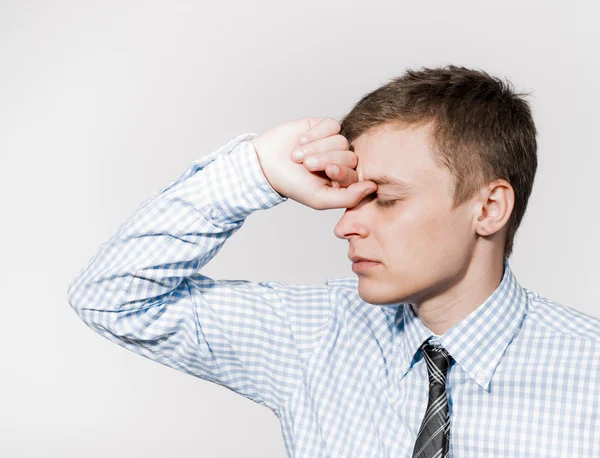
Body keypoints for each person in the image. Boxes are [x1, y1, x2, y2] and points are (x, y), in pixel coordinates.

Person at [67, 65, 600, 457]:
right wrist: (256, 172)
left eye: (385, 199)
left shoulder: (590, 374)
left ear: (488, 208)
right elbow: (113, 298)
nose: (346, 224)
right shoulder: (313, 334)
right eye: (351, 197)